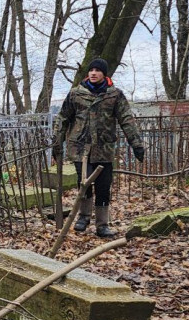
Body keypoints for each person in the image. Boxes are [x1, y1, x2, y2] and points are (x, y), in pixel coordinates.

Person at [51, 58, 144, 237]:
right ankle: (83, 217)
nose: (93, 73)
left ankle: (102, 224)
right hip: (80, 148)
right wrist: (57, 144)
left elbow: (126, 120)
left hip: (104, 148)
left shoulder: (114, 95)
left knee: (103, 185)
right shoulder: (76, 94)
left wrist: (136, 144)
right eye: (91, 70)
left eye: (97, 70)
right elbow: (62, 119)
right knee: (84, 182)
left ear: (104, 74)